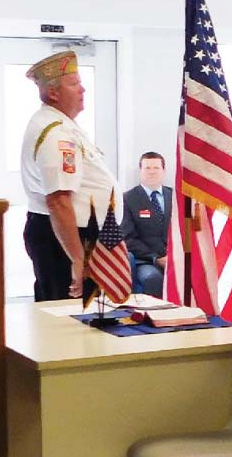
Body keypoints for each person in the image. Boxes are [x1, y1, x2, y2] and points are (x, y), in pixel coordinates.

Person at [20, 50, 120, 301]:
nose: (82, 89)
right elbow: (58, 200)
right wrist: (77, 258)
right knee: (67, 315)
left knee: (82, 312)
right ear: (53, 93)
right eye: (74, 84)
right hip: (65, 238)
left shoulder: (64, 125)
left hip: (73, 233)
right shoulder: (56, 133)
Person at [120, 152, 171, 297]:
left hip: (175, 260)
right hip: (145, 261)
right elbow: (128, 238)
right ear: (140, 171)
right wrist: (156, 258)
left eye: (156, 168)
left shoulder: (175, 197)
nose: (152, 172)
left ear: (164, 171)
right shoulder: (127, 199)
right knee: (152, 278)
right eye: (147, 168)